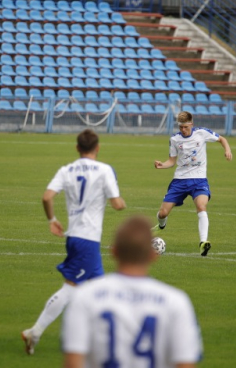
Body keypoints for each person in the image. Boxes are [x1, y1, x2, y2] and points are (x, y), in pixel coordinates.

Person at [21, 129, 126, 355]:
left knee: (99, 289)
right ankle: (35, 331)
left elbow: (47, 196)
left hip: (76, 237)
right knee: (71, 289)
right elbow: (118, 205)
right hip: (87, 239)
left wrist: (52, 219)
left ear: (77, 148)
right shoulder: (105, 170)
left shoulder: (66, 170)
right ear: (97, 148)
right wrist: (119, 198)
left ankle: (100, 339)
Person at [62, 215, 203, 368]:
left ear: (114, 251)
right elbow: (185, 363)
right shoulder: (177, 302)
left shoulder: (84, 297)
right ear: (153, 256)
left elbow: (73, 362)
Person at [153, 111, 232, 256]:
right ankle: (161, 225)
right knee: (163, 213)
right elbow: (172, 161)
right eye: (180, 127)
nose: (183, 130)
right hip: (179, 181)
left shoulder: (202, 133)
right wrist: (162, 165)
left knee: (201, 206)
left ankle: (203, 242)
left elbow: (222, 139)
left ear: (191, 124)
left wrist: (227, 150)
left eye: (185, 127)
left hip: (199, 180)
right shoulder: (175, 139)